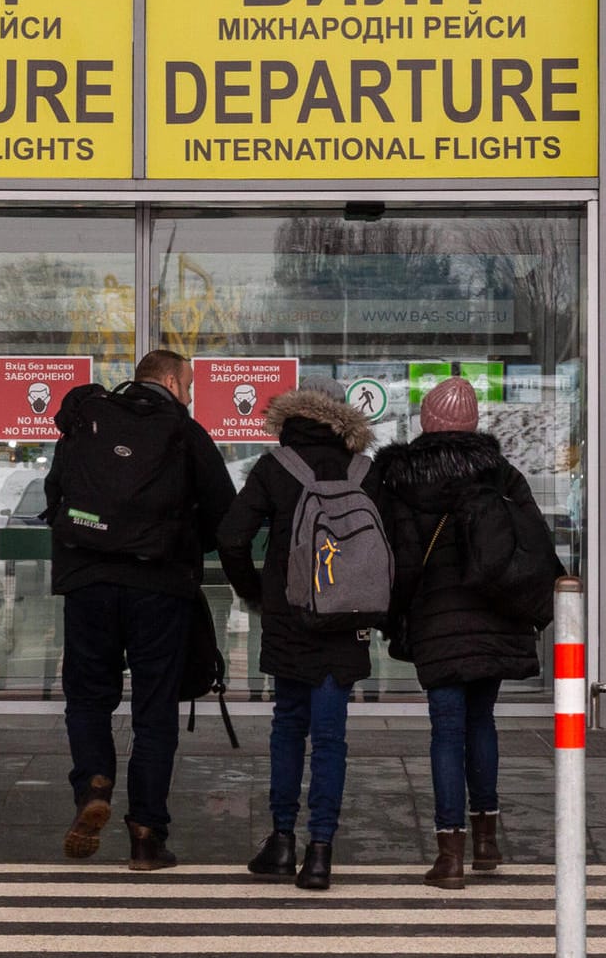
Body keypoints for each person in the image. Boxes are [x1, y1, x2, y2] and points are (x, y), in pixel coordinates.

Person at [45, 349, 235, 870]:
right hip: (159, 587)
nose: (191, 396)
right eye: (189, 386)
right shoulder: (184, 432)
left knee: (87, 698)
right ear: (171, 381)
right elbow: (225, 512)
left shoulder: (89, 421)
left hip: (87, 582)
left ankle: (93, 785)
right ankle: (147, 836)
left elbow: (54, 492)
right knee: (154, 712)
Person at [375, 376, 552, 890]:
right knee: (481, 724)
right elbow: (531, 545)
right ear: (474, 424)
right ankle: (486, 842)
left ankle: (449, 856)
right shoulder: (500, 474)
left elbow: (394, 558)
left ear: (425, 423)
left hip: (436, 621)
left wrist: (396, 615)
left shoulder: (400, 478)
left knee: (446, 731)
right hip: (495, 616)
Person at [217, 376, 386, 890]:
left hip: (291, 617)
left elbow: (230, 537)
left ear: (293, 413)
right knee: (331, 737)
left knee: (289, 726)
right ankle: (321, 852)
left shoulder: (276, 466)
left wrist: (255, 593)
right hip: (347, 620)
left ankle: (283, 841)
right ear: (341, 417)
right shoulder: (365, 470)